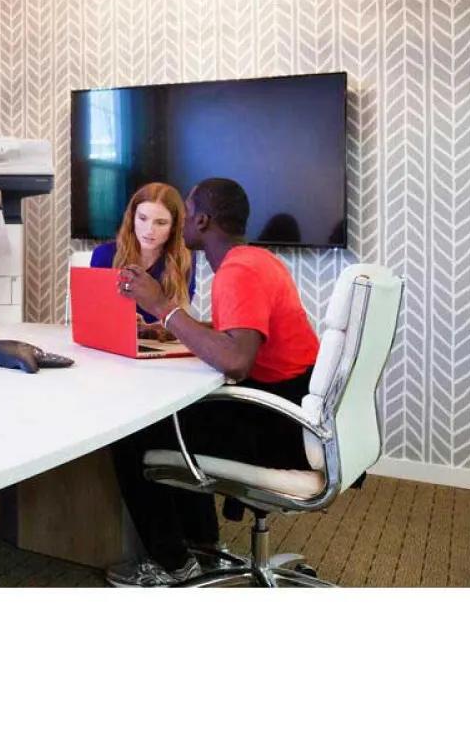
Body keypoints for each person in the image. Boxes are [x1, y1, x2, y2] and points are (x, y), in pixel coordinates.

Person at [107, 177, 320, 586]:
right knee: (178, 418)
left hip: (282, 429)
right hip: (295, 415)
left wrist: (162, 306)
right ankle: (204, 547)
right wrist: (175, 328)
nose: (183, 221)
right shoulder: (257, 260)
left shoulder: (237, 271)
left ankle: (172, 564)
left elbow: (236, 361)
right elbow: (242, 334)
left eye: (186, 213)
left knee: (134, 433)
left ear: (202, 221)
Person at [90, 182, 196, 330]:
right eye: (142, 218)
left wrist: (148, 328)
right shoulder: (104, 255)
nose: (149, 230)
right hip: (113, 338)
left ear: (174, 227)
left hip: (160, 340)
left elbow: (180, 319)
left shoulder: (183, 259)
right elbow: (95, 314)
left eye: (161, 223)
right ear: (132, 218)